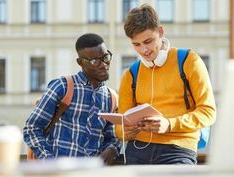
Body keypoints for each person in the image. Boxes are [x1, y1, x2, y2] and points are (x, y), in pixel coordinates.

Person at [115, 4, 216, 164]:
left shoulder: (189, 61)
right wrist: (127, 130)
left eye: (148, 41)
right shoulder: (130, 75)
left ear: (160, 32)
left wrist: (170, 124)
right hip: (137, 150)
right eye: (137, 45)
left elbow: (208, 112)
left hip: (179, 150)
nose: (144, 50)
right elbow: (119, 129)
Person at [23, 33, 120, 165]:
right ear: (80, 63)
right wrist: (50, 163)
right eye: (95, 61)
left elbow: (112, 138)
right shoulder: (62, 87)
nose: (104, 65)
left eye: (105, 57)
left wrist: (112, 149)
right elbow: (31, 129)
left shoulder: (111, 97)